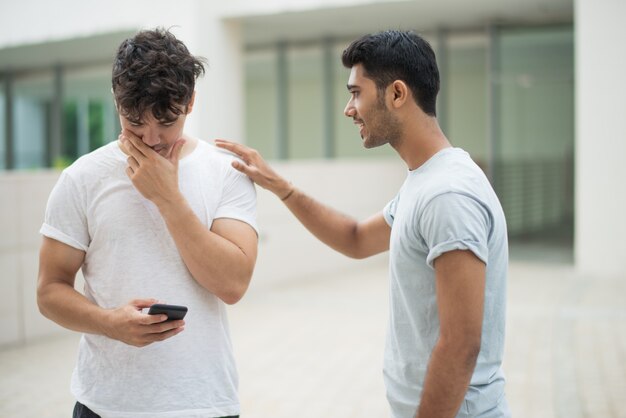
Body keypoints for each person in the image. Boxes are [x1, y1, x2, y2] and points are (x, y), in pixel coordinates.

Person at [215, 30, 510, 418]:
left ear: (397, 94)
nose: (349, 108)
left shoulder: (447, 194)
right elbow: (355, 238)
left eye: (356, 92)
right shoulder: (425, 181)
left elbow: (461, 344)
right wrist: (281, 187)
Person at [37, 28, 258, 418]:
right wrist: (108, 323)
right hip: (105, 405)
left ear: (190, 102)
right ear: (116, 100)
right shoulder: (82, 178)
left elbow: (233, 283)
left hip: (204, 403)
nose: (152, 139)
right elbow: (49, 291)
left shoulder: (227, 172)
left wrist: (168, 198)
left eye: (166, 123)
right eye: (135, 124)